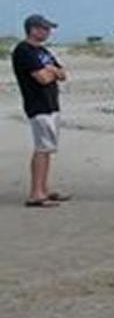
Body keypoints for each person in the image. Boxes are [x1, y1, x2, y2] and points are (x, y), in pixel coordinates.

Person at [11, 15, 70, 207]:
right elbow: (42, 78)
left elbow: (62, 74)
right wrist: (50, 71)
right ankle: (36, 193)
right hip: (38, 105)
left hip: (51, 104)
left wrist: (51, 69)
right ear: (33, 29)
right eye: (44, 29)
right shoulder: (24, 50)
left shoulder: (43, 51)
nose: (48, 32)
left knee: (48, 148)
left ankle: (43, 188)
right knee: (42, 148)